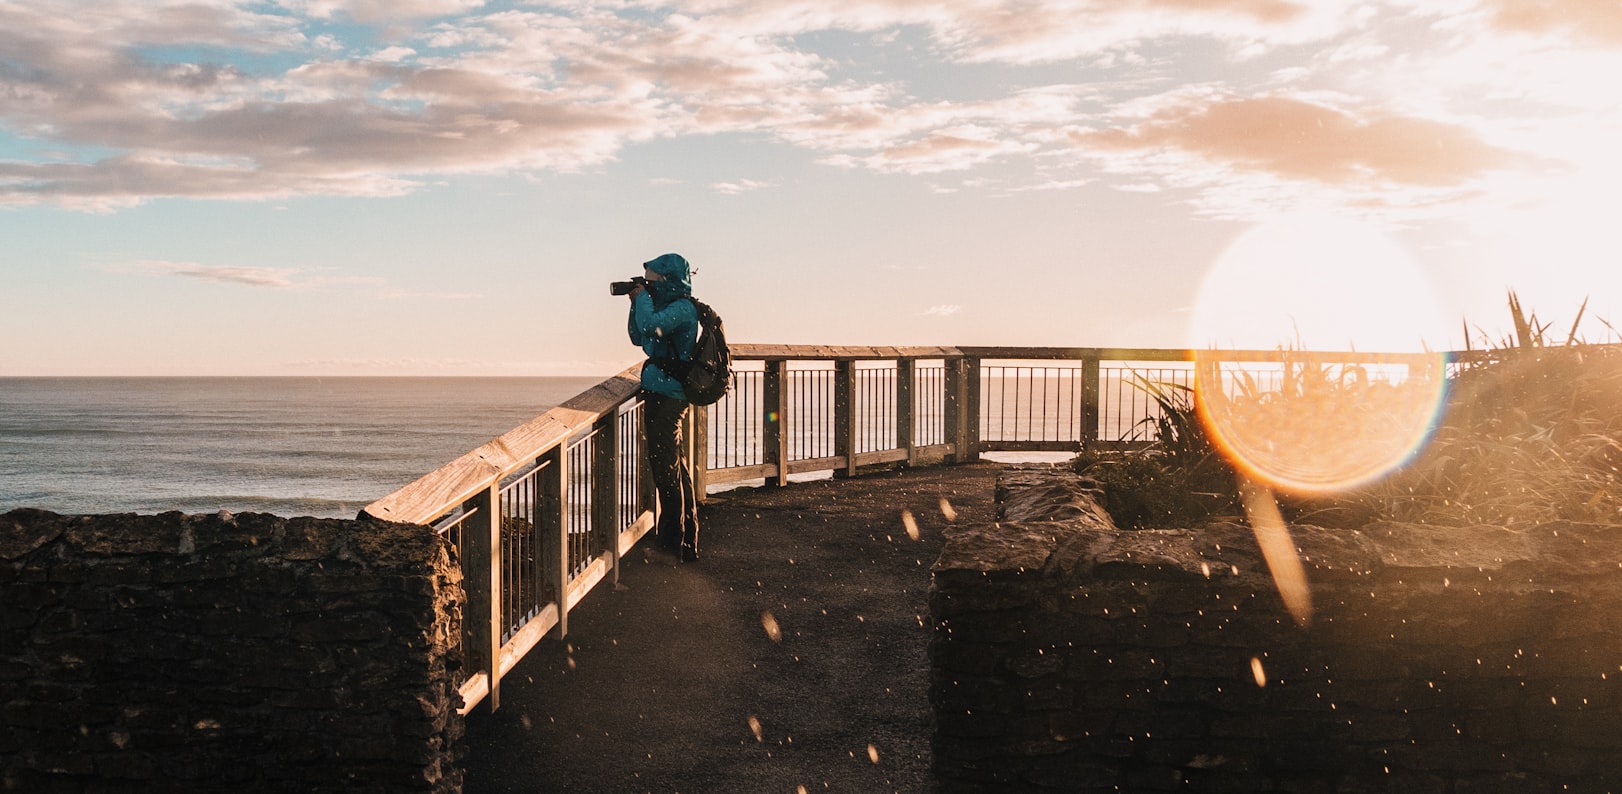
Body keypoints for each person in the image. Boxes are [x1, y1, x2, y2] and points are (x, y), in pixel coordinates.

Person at [626, 253, 701, 561]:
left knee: (666, 470)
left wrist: (642, 300)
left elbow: (650, 328)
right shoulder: (664, 307)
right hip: (660, 392)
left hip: (670, 395)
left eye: (651, 279)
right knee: (674, 465)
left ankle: (672, 544)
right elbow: (637, 336)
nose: (647, 284)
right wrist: (636, 303)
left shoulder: (683, 308)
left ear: (666, 279)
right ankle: (685, 538)